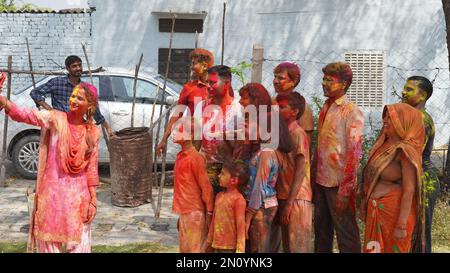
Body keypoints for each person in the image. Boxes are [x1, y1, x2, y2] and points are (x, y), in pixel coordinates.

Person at [0, 81, 100, 253]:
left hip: (78, 200)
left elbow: (91, 169)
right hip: (52, 198)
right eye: (73, 96)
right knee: (48, 246)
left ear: (90, 105)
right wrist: (3, 101)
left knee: (79, 247)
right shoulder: (56, 119)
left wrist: (93, 200)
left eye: (80, 98)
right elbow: (26, 115)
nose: (74, 100)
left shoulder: (92, 132)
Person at [312, 62, 364, 253]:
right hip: (321, 181)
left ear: (343, 84)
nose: (324, 83)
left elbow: (355, 153)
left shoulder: (351, 111)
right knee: (321, 232)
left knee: (346, 234)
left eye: (329, 80)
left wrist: (345, 190)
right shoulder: (326, 107)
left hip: (339, 185)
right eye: (323, 79)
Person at [361, 103, 424, 253]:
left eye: (391, 118)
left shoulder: (406, 151)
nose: (385, 120)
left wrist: (401, 225)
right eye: (385, 116)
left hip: (394, 217)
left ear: (404, 122)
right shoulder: (383, 144)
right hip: (376, 213)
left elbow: (409, 190)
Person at [239, 83, 293, 253]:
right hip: (261, 206)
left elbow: (259, 188)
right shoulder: (265, 150)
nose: (249, 126)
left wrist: (248, 215)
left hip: (260, 207)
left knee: (258, 249)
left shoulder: (266, 153)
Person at [30, 55, 113, 137]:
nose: (78, 68)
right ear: (67, 68)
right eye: (74, 66)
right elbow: (35, 93)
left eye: (80, 65)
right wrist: (49, 109)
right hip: (59, 127)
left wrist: (107, 127)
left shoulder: (85, 88)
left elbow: (94, 109)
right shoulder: (57, 82)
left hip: (77, 129)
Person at [271, 92, 312, 253]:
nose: (276, 110)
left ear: (294, 112)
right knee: (287, 245)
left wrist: (289, 203)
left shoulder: (297, 133)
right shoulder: (282, 132)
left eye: (281, 107)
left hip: (296, 198)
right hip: (283, 195)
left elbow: (301, 171)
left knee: (297, 246)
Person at [401, 76, 439, 253]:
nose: (403, 92)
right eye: (405, 88)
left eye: (409, 89)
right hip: (412, 177)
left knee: (420, 233)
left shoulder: (421, 119)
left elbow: (411, 155)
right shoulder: (410, 116)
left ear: (422, 95)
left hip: (423, 181)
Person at [193, 65, 245, 194]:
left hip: (229, 170)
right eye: (207, 82)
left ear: (227, 83)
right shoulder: (202, 106)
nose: (208, 86)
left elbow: (244, 139)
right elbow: (197, 140)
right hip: (206, 168)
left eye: (213, 83)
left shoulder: (238, 108)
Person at [156, 49, 214, 155]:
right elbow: (177, 115)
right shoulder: (189, 88)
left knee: (210, 171)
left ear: (205, 66)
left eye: (194, 63)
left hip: (213, 144)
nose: (191, 67)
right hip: (193, 142)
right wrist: (164, 140)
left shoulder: (218, 88)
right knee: (191, 168)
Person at [171, 117, 214, 253]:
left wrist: (209, 212)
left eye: (178, 130)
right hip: (185, 212)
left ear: (189, 135)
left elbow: (206, 187)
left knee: (195, 250)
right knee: (184, 250)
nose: (174, 133)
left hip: (194, 213)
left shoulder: (196, 158)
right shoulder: (181, 156)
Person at [206, 160, 247, 253]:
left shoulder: (239, 200)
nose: (219, 175)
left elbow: (240, 227)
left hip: (229, 247)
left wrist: (240, 250)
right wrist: (208, 241)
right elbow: (214, 221)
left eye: (223, 174)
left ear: (234, 180)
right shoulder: (219, 196)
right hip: (216, 244)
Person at [272, 62, 314, 147]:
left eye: (281, 78)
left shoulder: (302, 107)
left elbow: (305, 144)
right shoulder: (271, 102)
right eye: (275, 77)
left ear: (294, 81)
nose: (275, 81)